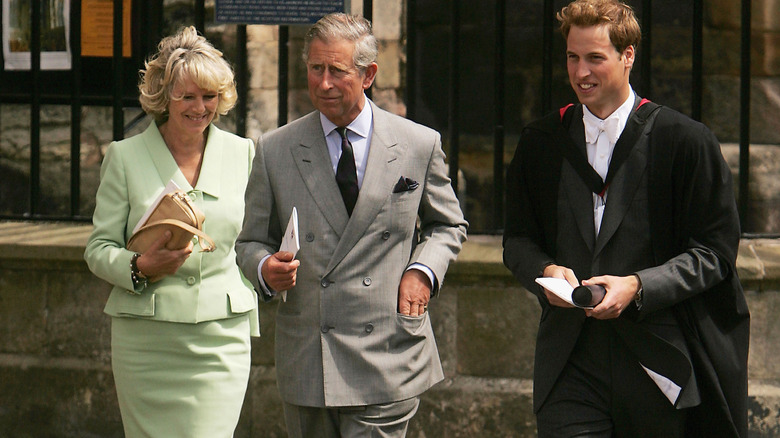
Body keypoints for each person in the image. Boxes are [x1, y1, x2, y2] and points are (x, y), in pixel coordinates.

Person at [502, 0, 749, 436]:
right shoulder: (541, 142)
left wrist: (637, 286)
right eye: (572, 57)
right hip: (570, 361)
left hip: (658, 360)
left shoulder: (684, 142)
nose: (581, 73)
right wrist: (545, 270)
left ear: (628, 55)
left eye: (595, 58)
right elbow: (518, 240)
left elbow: (715, 254)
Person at [235, 12, 467, 438]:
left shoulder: (418, 143)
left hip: (386, 352)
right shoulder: (275, 149)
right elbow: (249, 241)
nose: (323, 83)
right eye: (315, 69)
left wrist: (422, 272)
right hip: (309, 358)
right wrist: (265, 269)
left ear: (368, 74)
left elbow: (447, 225)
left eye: (337, 71)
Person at [84, 26, 258, 437]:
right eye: (188, 97)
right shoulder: (124, 158)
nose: (201, 107)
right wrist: (139, 265)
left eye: (210, 96)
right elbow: (98, 248)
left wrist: (271, 267)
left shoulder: (244, 153)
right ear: (164, 97)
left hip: (221, 337)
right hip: (147, 341)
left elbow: (255, 240)